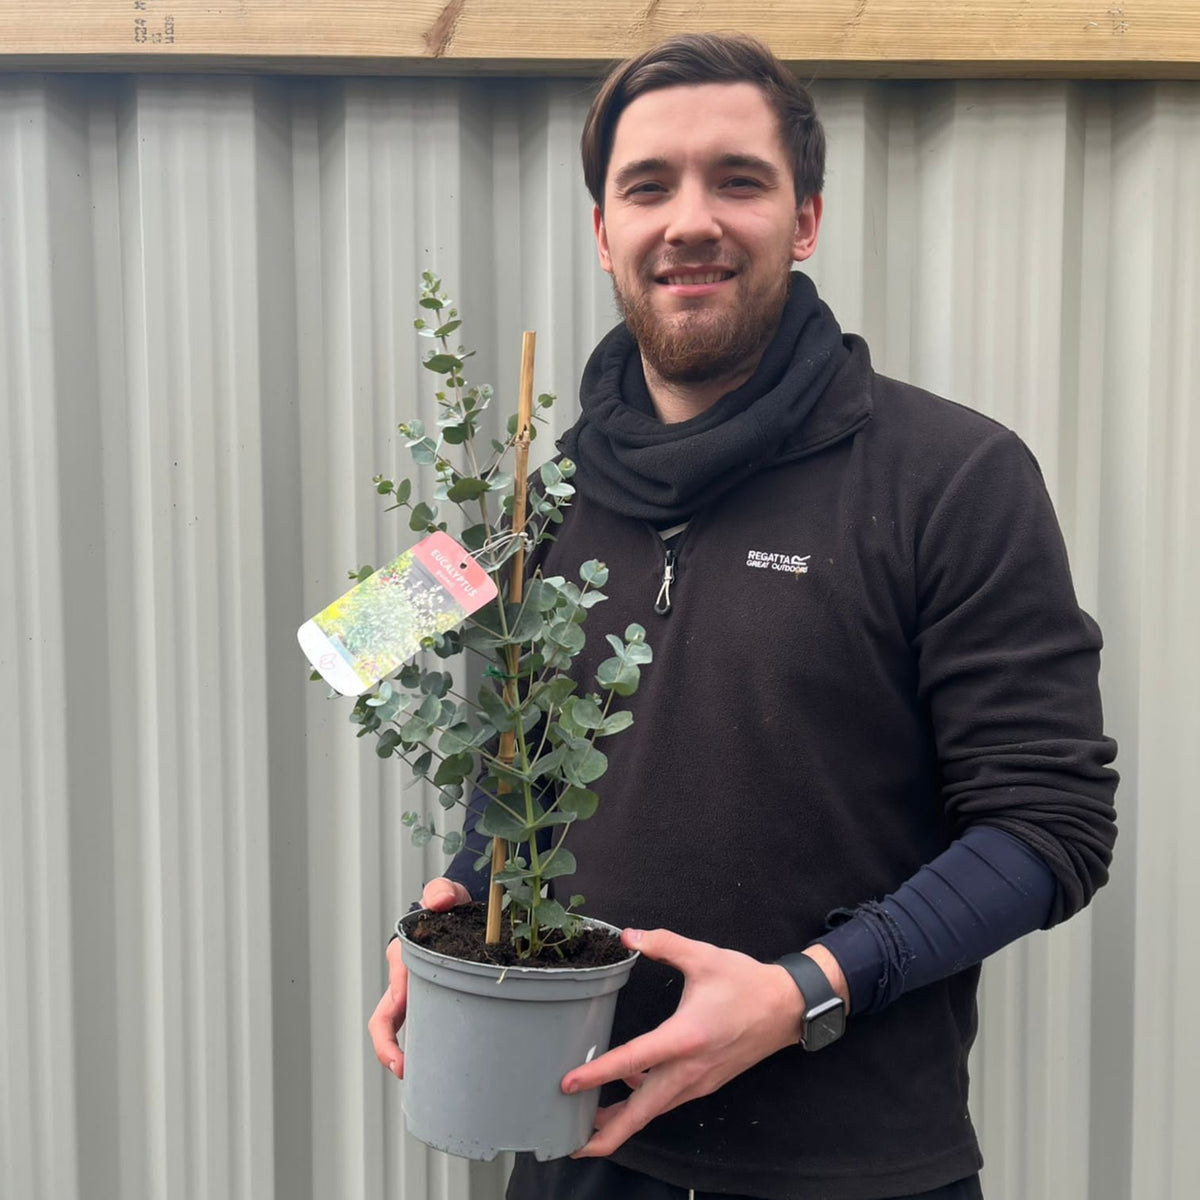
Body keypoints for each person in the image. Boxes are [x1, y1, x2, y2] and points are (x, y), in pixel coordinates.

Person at [368, 32, 1118, 1200]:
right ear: (605, 231)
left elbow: (1049, 828)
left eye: (740, 179)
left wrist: (803, 990)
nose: (690, 220)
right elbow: (501, 774)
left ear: (805, 219)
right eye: (648, 186)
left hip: (855, 1169)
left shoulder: (952, 478)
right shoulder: (526, 506)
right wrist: (465, 903)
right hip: (573, 1145)